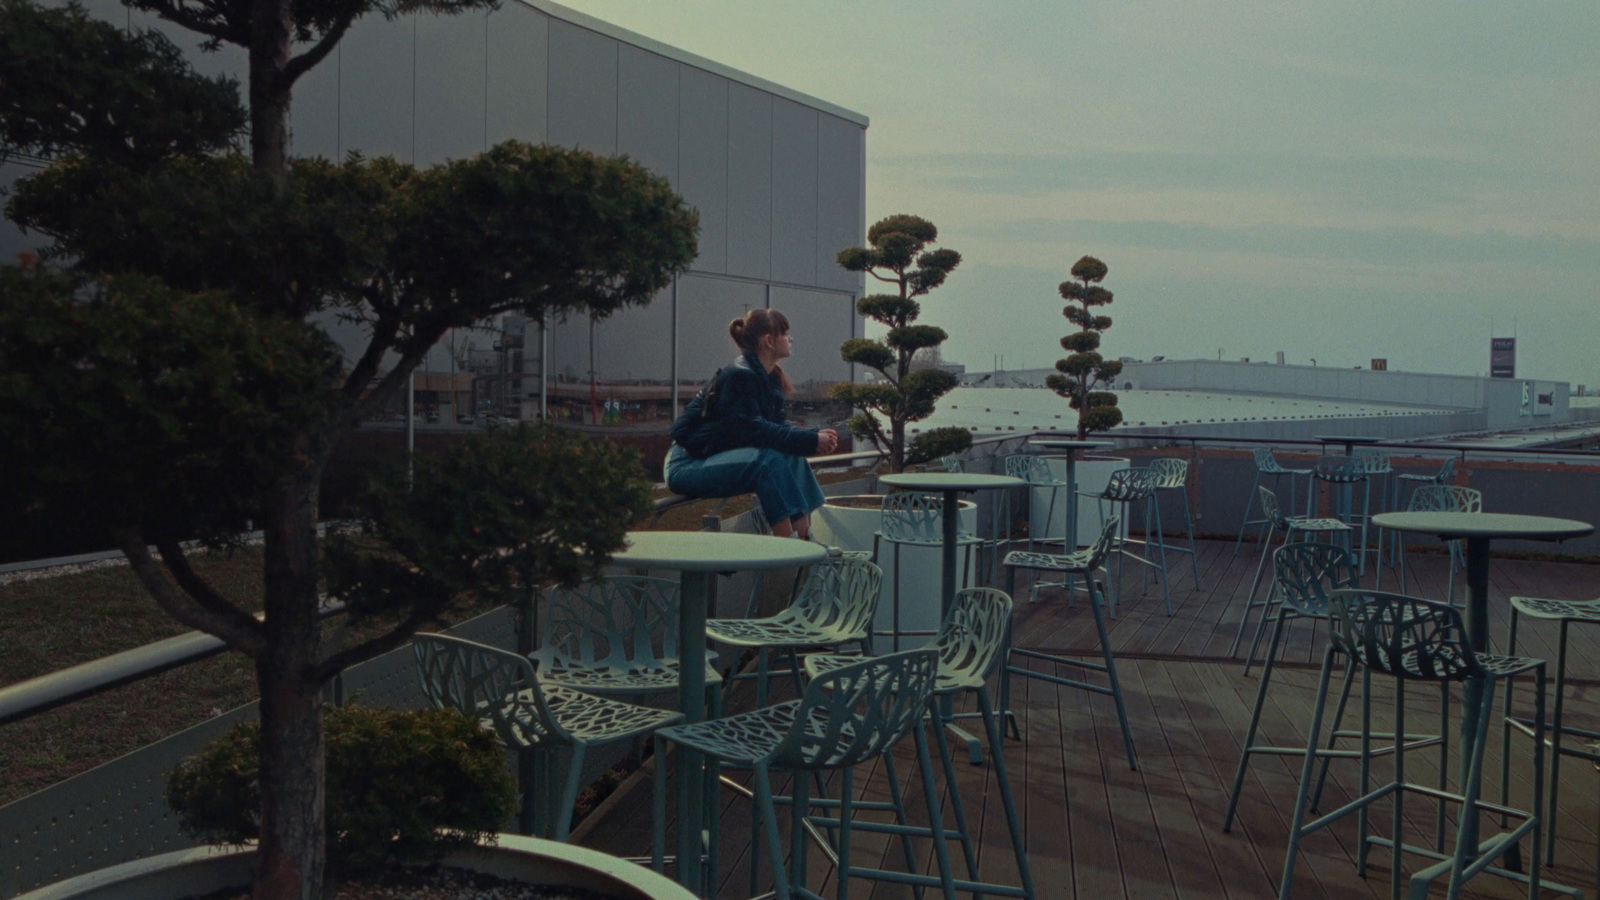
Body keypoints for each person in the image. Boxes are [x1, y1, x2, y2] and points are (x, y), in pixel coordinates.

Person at [666, 309, 839, 539]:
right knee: (768, 461)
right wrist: (810, 440)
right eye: (785, 333)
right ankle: (788, 547)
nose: (791, 339)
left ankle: (806, 536)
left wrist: (813, 436)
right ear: (768, 340)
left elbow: (774, 428)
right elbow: (754, 431)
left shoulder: (770, 378)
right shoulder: (739, 375)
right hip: (688, 463)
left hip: (711, 456)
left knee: (792, 456)